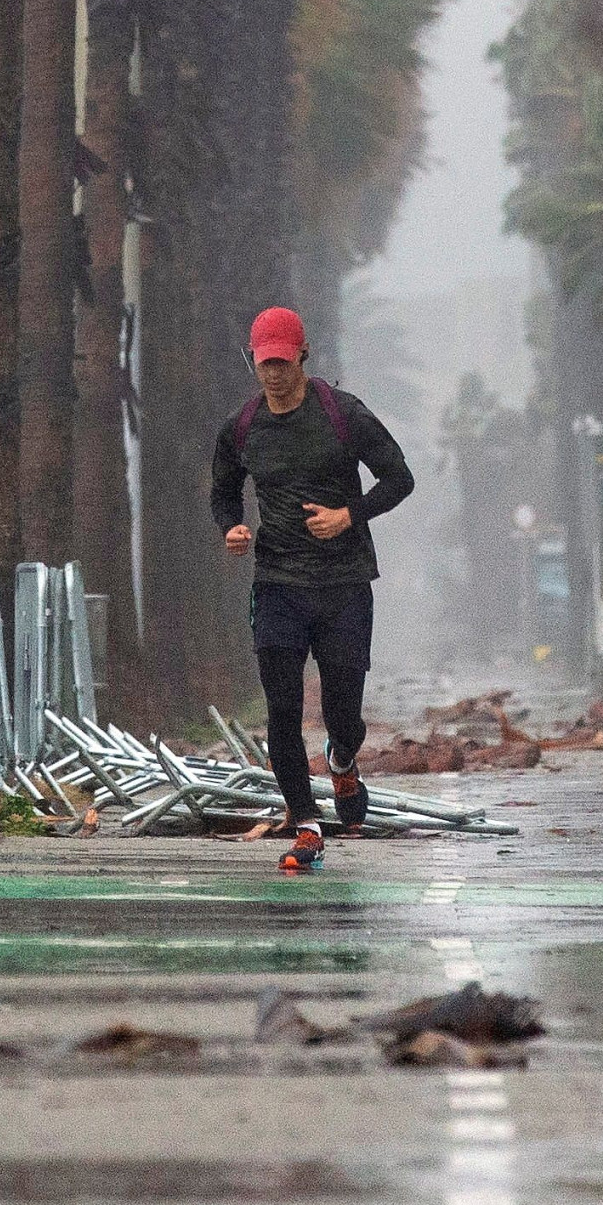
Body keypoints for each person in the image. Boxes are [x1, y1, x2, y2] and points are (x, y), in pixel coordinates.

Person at [209, 306, 416, 872]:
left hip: (344, 583)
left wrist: (349, 515)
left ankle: (342, 761)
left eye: (283, 361)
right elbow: (223, 491)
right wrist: (231, 527)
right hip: (278, 583)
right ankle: (305, 824)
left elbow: (399, 478)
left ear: (303, 355)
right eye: (264, 363)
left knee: (342, 711)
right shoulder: (242, 427)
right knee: (282, 708)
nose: (274, 373)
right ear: (252, 361)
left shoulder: (343, 414)